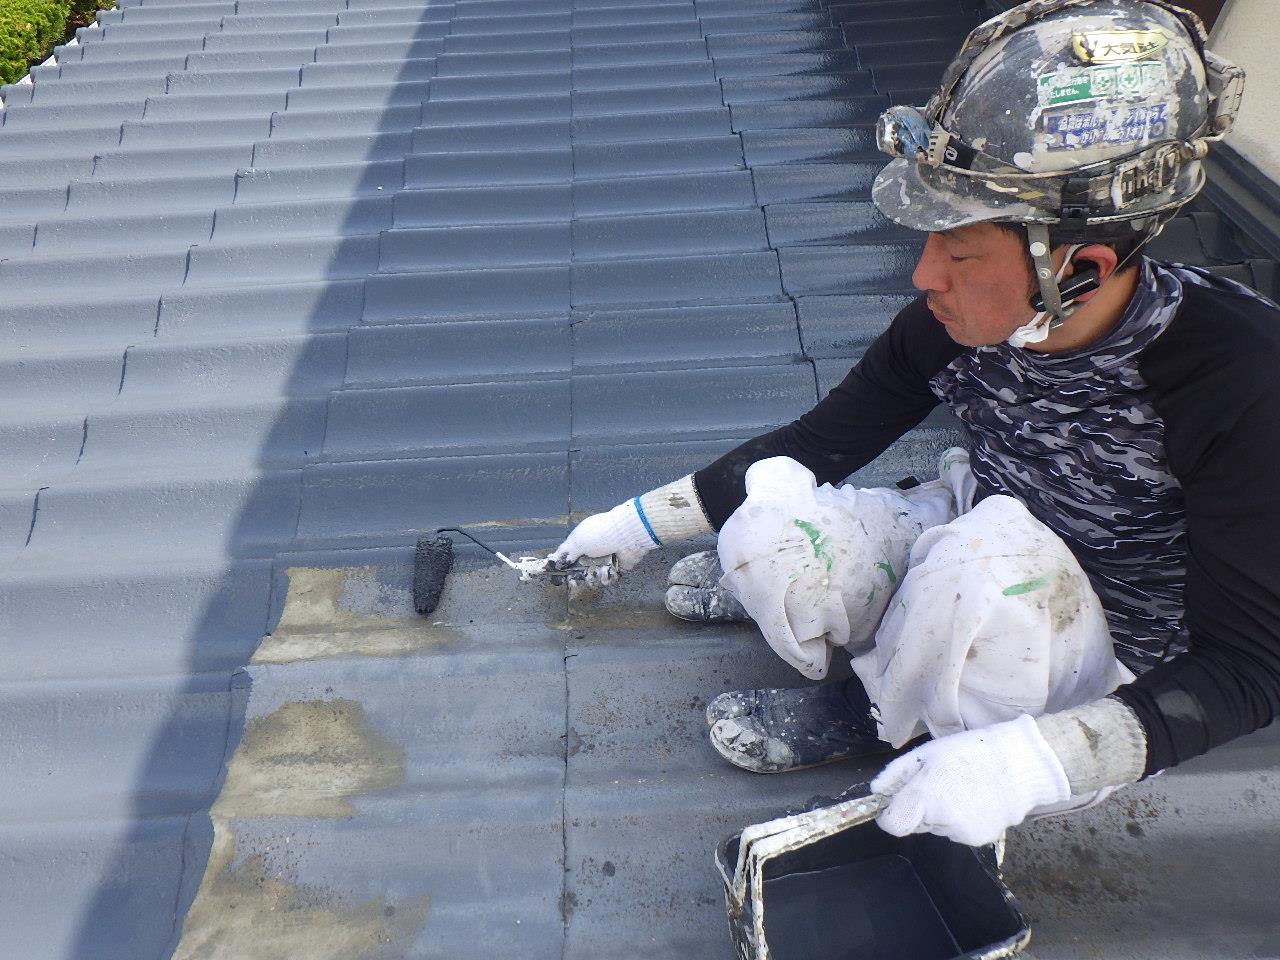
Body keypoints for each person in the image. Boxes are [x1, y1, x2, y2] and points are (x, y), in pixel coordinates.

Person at [552, 0, 1278, 849]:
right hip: (983, 531)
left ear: (1079, 269)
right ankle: (893, 633)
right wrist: (637, 525)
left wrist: (1038, 762)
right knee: (774, 535)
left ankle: (878, 709)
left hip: (1087, 634)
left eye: (959, 252)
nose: (924, 275)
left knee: (984, 565)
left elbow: (1250, 668)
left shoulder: (1242, 378)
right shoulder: (965, 322)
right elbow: (817, 444)